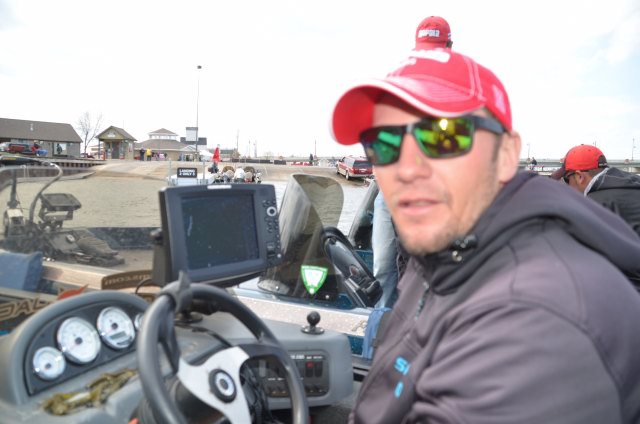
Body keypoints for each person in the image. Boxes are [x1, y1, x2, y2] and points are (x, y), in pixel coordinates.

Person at [330, 48, 640, 423]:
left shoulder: (540, 323)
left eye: (443, 135)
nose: (406, 169)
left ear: (506, 155)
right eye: (383, 143)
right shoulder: (440, 252)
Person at [372, 15, 455, 309]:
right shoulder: (399, 84)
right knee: (383, 267)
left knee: (426, 274)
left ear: (449, 48)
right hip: (392, 188)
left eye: (436, 50)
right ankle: (382, 320)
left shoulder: (458, 90)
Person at [551, 144, 640, 237]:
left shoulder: (593, 205)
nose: (568, 186)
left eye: (566, 179)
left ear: (579, 177)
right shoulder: (633, 181)